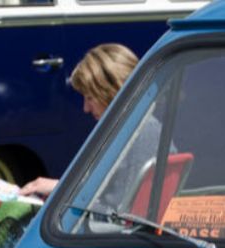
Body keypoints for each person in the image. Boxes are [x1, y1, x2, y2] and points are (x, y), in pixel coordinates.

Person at [19, 43, 143, 200]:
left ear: (113, 92)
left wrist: (61, 191)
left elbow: (110, 206)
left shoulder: (133, 140)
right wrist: (60, 187)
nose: (86, 108)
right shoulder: (140, 130)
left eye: (90, 98)